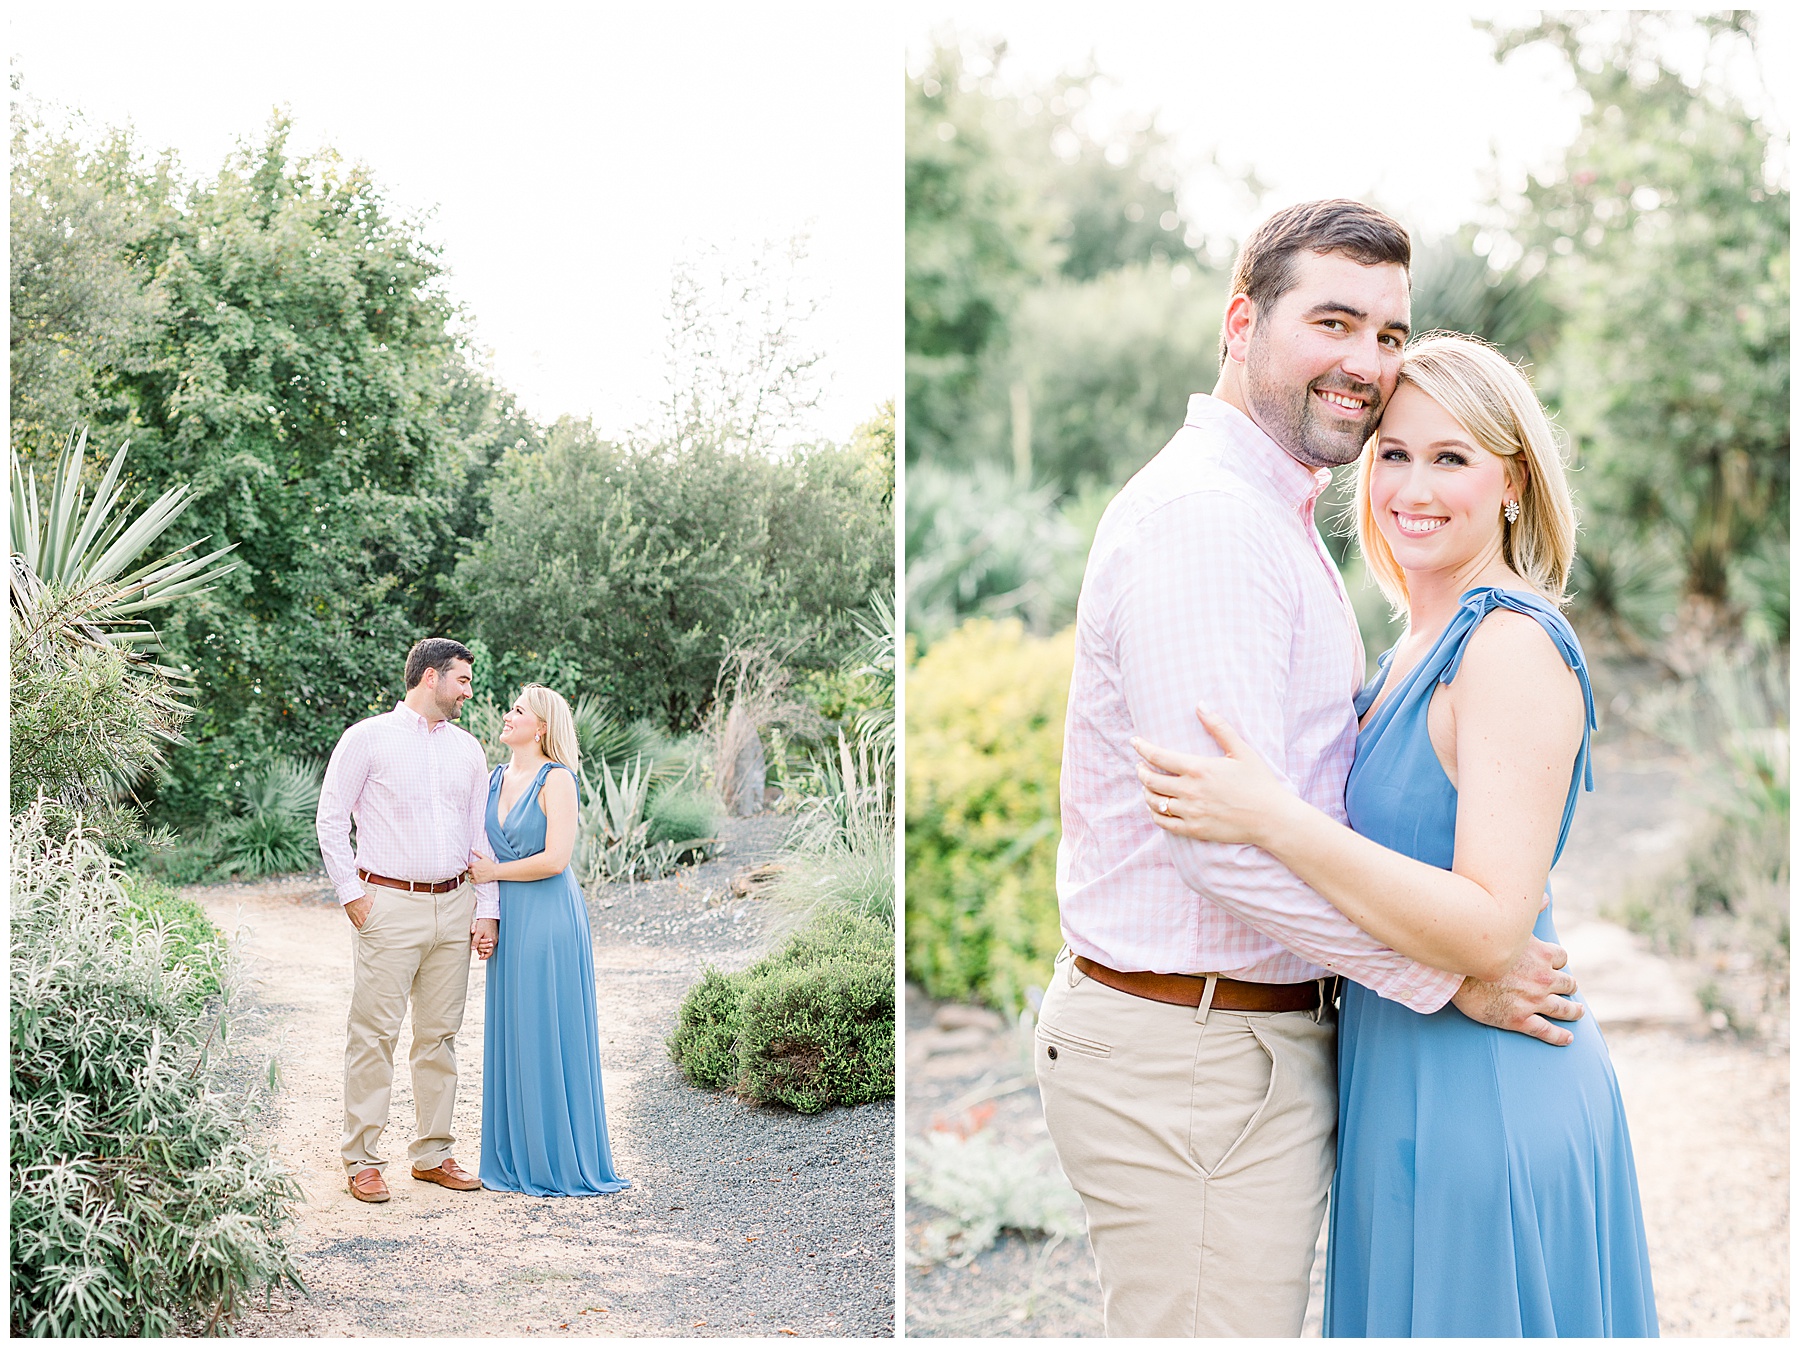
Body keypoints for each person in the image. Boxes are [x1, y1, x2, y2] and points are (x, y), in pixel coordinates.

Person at [1034, 200, 1584, 1338]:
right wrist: (1444, 975)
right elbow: (1218, 846)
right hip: (1194, 1060)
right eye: (1334, 322)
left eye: (1389, 333)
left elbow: (1276, 812)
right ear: (1242, 320)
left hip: (1249, 1049)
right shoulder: (1212, 522)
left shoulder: (1276, 518)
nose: (1367, 363)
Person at [1135, 332, 1658, 1335]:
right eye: (1396, 455)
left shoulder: (1506, 644)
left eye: (1452, 457)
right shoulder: (1411, 642)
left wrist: (1271, 819)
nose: (1414, 485)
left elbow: (1490, 931)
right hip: (1400, 1090)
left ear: (1512, 483)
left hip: (1487, 1100)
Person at [317, 637, 499, 1204]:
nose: (469, 691)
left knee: (440, 1036)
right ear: (429, 678)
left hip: (455, 905)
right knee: (374, 1035)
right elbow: (329, 820)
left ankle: (433, 1154)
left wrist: (486, 909)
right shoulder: (366, 739)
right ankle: (362, 1159)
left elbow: (478, 837)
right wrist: (353, 895)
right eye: (462, 680)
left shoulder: (468, 749)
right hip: (387, 905)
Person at [469, 684, 630, 1196]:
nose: (507, 714)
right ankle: (517, 1154)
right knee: (513, 1029)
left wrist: (494, 870)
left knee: (545, 1027)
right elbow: (477, 852)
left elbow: (556, 859)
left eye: (518, 711)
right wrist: (488, 914)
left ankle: (557, 1158)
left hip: (549, 915)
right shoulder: (493, 779)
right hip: (510, 917)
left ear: (541, 726)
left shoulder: (556, 779)